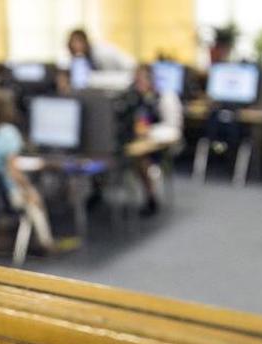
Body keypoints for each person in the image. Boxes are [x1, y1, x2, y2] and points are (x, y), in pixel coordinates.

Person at [0, 89, 78, 255]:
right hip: (4, 196)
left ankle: (5, 237)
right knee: (34, 199)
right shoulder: (8, 134)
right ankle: (46, 243)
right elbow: (13, 172)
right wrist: (29, 190)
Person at [126, 65, 183, 215]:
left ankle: (151, 198)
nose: (138, 84)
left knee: (141, 159)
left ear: (151, 80)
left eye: (142, 80)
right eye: (136, 80)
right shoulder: (133, 98)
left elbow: (173, 129)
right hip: (138, 141)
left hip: (160, 145)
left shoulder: (165, 97)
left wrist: (150, 132)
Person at [65, 29, 135, 72]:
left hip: (127, 71)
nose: (75, 47)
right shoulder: (79, 59)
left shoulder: (103, 54)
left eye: (78, 42)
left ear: (85, 42)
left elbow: (108, 77)